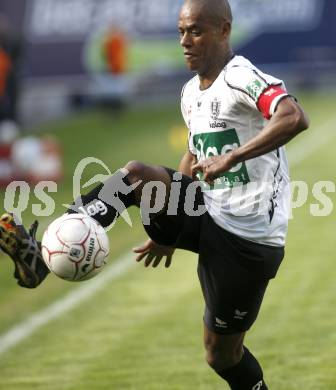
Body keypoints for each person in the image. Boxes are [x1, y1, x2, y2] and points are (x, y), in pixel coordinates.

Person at [0, 0, 309, 389]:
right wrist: (171, 224)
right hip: (209, 212)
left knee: (221, 355)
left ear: (224, 30)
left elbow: (294, 116)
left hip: (248, 241)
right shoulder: (190, 93)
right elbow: (193, 155)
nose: (185, 41)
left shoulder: (241, 77)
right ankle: (41, 259)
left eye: (196, 30)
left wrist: (234, 156)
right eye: (181, 31)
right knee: (135, 176)